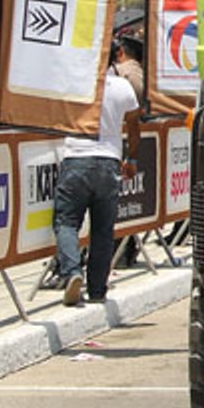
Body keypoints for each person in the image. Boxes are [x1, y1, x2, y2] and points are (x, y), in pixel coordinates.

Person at [54, 63, 142, 307]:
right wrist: (132, 159)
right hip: (109, 161)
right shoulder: (122, 86)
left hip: (76, 158)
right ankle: (97, 289)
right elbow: (134, 125)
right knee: (103, 230)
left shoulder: (72, 82)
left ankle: (72, 271)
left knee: (67, 222)